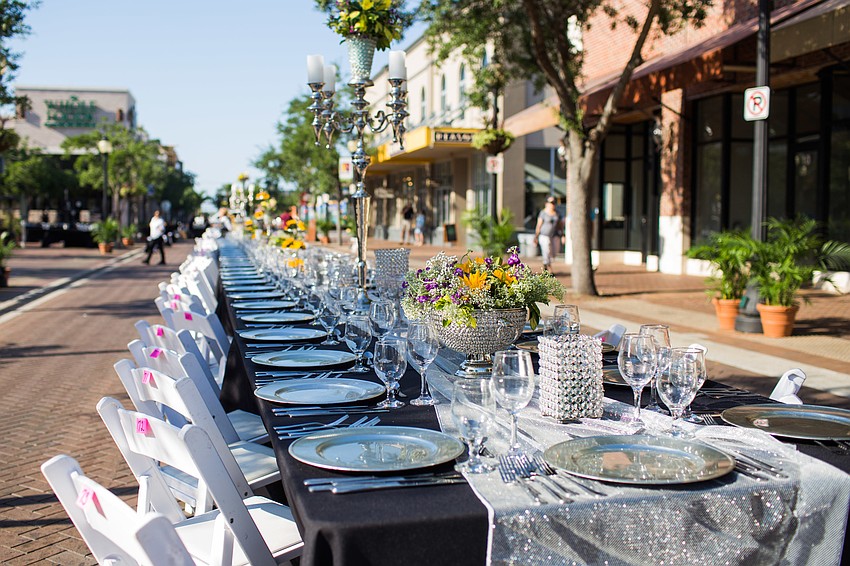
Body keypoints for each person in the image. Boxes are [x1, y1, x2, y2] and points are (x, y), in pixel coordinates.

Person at [534, 196, 563, 272]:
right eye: (551, 202)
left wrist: (563, 235)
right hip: (544, 235)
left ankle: (545, 264)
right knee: (547, 251)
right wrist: (536, 237)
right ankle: (549, 268)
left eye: (554, 202)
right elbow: (539, 225)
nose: (553, 204)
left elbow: (560, 225)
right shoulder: (543, 213)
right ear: (546, 203)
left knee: (554, 253)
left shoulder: (557, 213)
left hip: (555, 236)